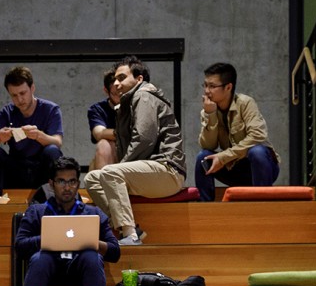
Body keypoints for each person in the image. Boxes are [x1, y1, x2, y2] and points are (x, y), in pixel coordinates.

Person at [15, 157, 120, 286]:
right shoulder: (37, 211)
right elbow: (20, 247)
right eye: (61, 181)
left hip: (81, 271)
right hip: (48, 271)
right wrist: (47, 238)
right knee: (40, 258)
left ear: (78, 184)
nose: (67, 186)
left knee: (92, 257)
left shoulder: (93, 213)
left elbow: (114, 252)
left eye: (72, 181)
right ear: (51, 184)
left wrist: (92, 242)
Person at [86, 55, 185, 246]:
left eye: (122, 78)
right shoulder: (128, 103)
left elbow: (144, 139)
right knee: (91, 179)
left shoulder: (143, 96)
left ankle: (130, 236)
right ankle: (128, 228)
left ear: (139, 79)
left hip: (167, 170)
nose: (116, 83)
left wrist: (119, 169)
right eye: (114, 79)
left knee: (109, 173)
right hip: (150, 170)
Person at [195, 62, 281, 202]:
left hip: (261, 167)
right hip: (233, 168)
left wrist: (223, 157)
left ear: (228, 87)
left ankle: (263, 207)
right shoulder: (208, 109)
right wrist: (210, 114)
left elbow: (257, 136)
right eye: (205, 85)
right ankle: (205, 208)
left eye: (212, 86)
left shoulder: (246, 103)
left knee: (257, 151)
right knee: (203, 157)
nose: (206, 91)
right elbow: (208, 145)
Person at [0, 66, 65, 195]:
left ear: (32, 88)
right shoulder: (7, 112)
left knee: (52, 151)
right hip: (16, 168)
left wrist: (38, 135)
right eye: (14, 95)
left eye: (23, 93)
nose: (19, 100)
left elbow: (57, 142)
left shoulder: (50, 109)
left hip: (40, 168)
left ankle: (53, 199)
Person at [88, 69, 120, 171]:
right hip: (113, 152)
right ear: (106, 91)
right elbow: (99, 133)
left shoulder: (136, 105)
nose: (120, 97)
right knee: (104, 144)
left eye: (123, 93)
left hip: (134, 150)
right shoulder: (98, 109)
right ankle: (103, 185)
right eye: (115, 94)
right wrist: (125, 133)